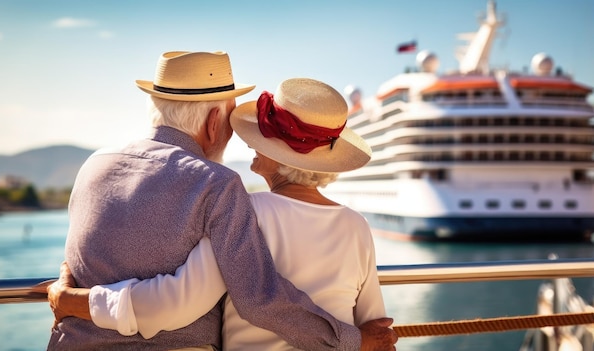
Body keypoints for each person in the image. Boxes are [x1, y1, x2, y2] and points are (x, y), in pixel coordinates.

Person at [46, 51, 397, 350]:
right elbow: (257, 300)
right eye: (231, 122)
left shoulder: (93, 165)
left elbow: (201, 297)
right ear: (215, 122)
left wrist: (75, 302)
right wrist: (354, 341)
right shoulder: (221, 186)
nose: (240, 138)